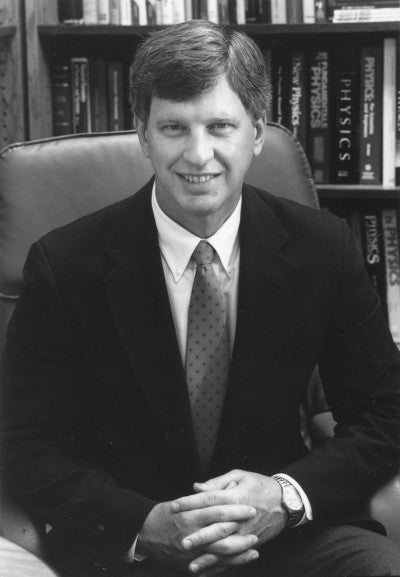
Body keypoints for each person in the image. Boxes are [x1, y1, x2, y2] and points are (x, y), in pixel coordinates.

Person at [1, 20, 400, 577]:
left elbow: (386, 411)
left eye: (220, 126)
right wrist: (144, 524)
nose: (198, 154)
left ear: (256, 133)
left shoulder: (321, 248)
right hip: (129, 546)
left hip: (282, 536)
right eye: (173, 127)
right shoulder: (65, 264)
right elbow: (23, 442)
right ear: (143, 134)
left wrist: (285, 498)